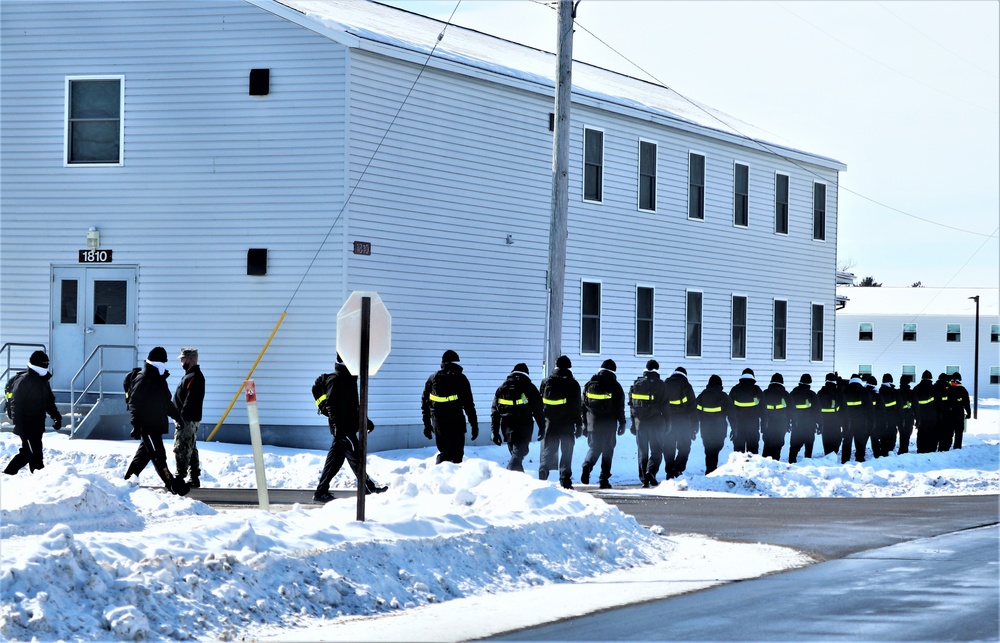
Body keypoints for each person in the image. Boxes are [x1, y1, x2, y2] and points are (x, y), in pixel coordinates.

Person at [312, 354, 387, 503]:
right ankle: (369, 487)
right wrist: (337, 428)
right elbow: (332, 405)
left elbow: (354, 406)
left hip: (347, 427)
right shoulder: (337, 379)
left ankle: (321, 492)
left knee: (335, 461)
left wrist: (365, 421)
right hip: (342, 429)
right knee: (356, 456)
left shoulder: (349, 378)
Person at [124, 347, 189, 495]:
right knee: (159, 456)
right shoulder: (143, 378)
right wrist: (136, 425)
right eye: (161, 363)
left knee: (143, 456)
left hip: (155, 425)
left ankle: (127, 481)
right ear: (154, 363)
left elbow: (166, 403)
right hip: (147, 426)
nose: (163, 366)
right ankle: (172, 485)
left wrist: (177, 417)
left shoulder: (159, 380)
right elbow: (134, 403)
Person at [3, 351, 61, 475]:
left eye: (47, 364)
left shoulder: (43, 381)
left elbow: (49, 401)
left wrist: (56, 417)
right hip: (26, 425)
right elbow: (15, 405)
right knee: (34, 455)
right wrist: (19, 425)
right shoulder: (24, 381)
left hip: (38, 424)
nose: (46, 366)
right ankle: (39, 482)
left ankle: (8, 474)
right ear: (37, 365)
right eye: (44, 364)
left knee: (28, 453)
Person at [422, 350, 478, 464]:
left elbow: (425, 403)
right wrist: (474, 425)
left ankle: (439, 475)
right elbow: (469, 405)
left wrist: (427, 425)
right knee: (457, 455)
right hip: (456, 421)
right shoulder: (461, 378)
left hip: (438, 422)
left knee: (444, 453)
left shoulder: (432, 378)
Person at [580, 359, 627, 489]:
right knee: (607, 450)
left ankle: (587, 465)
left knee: (594, 448)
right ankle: (603, 479)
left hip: (592, 423)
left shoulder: (589, 384)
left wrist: (584, 423)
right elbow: (620, 408)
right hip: (609, 424)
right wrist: (622, 423)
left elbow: (583, 406)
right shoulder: (615, 386)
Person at [489, 362, 544, 472]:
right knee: (518, 454)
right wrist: (542, 428)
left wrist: (494, 432)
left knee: (516, 454)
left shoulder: (502, 388)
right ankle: (507, 474)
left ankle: (519, 482)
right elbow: (538, 410)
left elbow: (495, 412)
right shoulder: (530, 388)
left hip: (507, 426)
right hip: (524, 425)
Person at [537, 355, 582, 489]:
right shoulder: (573, 383)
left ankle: (544, 469)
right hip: (567, 424)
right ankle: (565, 479)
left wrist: (541, 422)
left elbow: (540, 402)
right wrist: (579, 424)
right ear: (569, 367)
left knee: (549, 449)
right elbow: (576, 406)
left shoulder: (546, 382)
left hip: (550, 423)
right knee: (567, 451)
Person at [630, 360, 668, 487]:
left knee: (642, 451)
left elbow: (632, 405)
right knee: (657, 449)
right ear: (657, 369)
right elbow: (665, 406)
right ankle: (650, 472)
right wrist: (668, 422)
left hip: (640, 423)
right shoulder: (660, 385)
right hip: (656, 423)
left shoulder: (636, 384)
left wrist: (633, 422)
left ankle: (644, 480)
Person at [172, 348, 205, 489]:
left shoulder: (195, 377)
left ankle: (180, 477)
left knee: (181, 447)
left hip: (187, 419)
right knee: (190, 447)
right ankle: (194, 476)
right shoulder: (190, 375)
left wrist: (180, 418)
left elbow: (190, 400)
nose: (181, 361)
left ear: (190, 359)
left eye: (183, 359)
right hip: (186, 418)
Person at [662, 366, 697, 478]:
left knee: (668, 447)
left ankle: (669, 471)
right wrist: (694, 426)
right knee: (684, 446)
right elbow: (692, 408)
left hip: (667, 422)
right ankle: (678, 468)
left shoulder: (665, 385)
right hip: (683, 422)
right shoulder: (687, 386)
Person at [695, 374, 731, 474]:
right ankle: (712, 469)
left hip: (705, 427)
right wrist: (735, 428)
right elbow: (732, 413)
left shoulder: (702, 395)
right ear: (720, 384)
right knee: (716, 447)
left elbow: (695, 411)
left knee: (708, 449)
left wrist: (694, 424)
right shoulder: (724, 396)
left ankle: (710, 469)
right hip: (720, 428)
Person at [729, 368, 762, 454]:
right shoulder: (756, 390)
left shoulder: (735, 390)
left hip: (738, 426)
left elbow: (729, 409)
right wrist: (764, 422)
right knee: (753, 454)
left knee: (739, 454)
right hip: (753, 427)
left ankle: (739, 467)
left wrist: (733, 427)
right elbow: (763, 407)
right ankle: (752, 467)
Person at [840, 374, 872, 463]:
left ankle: (845, 461)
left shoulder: (844, 391)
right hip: (861, 422)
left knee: (846, 442)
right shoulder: (864, 391)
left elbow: (841, 408)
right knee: (860, 443)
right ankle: (860, 459)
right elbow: (869, 409)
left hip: (847, 423)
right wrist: (871, 423)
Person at [787, 374, 818, 464]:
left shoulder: (792, 394)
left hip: (797, 426)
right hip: (810, 427)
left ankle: (791, 466)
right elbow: (817, 411)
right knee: (808, 451)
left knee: (793, 450)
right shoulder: (812, 395)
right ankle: (807, 467)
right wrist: (819, 424)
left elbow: (788, 410)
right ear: (810, 383)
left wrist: (788, 422)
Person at [759, 373, 789, 461]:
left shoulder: (764, 393)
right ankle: (775, 465)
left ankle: (764, 465)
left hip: (767, 424)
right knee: (777, 447)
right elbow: (791, 409)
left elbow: (759, 408)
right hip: (781, 425)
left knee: (767, 446)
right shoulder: (785, 394)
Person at [815, 373, 844, 456]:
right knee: (837, 439)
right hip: (836, 421)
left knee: (826, 441)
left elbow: (816, 408)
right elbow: (843, 407)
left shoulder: (820, 393)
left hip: (824, 421)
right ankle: (833, 455)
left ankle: (828, 456)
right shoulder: (837, 392)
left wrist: (818, 421)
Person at [942, 373, 971, 450]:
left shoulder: (948, 389)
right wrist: (969, 413)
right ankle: (953, 447)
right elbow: (966, 403)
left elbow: (966, 403)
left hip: (952, 414)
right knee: (955, 432)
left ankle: (951, 447)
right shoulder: (962, 390)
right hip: (956, 414)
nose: (953, 382)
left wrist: (968, 412)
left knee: (953, 431)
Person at [863, 374, 888, 458]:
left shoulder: (863, 393)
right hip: (875, 421)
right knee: (875, 440)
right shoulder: (877, 395)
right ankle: (877, 456)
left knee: (862, 442)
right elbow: (882, 411)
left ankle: (860, 457)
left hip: (863, 421)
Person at [877, 374, 902, 457]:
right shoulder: (895, 392)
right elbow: (899, 407)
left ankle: (883, 451)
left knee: (883, 436)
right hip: (893, 419)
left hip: (881, 419)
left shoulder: (879, 392)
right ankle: (889, 451)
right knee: (892, 436)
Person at [897, 373, 916, 454]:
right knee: (907, 434)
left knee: (902, 433)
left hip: (900, 417)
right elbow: (916, 406)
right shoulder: (912, 393)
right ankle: (904, 449)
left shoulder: (897, 392)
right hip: (909, 417)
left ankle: (902, 449)